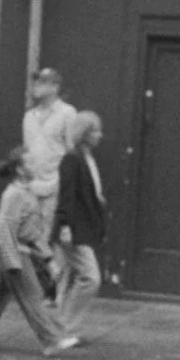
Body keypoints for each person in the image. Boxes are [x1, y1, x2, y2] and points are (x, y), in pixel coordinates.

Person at [0, 161, 78, 355]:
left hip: (16, 248)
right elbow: (5, 227)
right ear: (20, 169)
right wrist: (12, 260)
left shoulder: (25, 193)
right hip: (14, 249)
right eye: (31, 162)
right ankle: (52, 341)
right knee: (31, 295)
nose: (35, 166)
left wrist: (49, 259)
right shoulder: (14, 194)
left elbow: (33, 233)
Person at [52, 110, 109, 337]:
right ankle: (62, 328)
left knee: (71, 278)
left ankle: (61, 328)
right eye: (95, 130)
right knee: (90, 278)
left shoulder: (87, 158)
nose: (100, 135)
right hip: (74, 230)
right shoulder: (72, 159)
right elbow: (67, 196)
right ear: (83, 133)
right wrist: (65, 226)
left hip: (84, 228)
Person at [20, 68, 80, 218]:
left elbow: (71, 151)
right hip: (31, 186)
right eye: (35, 82)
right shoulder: (29, 116)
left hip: (55, 186)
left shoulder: (68, 113)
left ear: (55, 87)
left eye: (42, 83)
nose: (36, 86)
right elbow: (26, 150)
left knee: (45, 234)